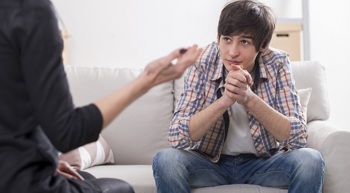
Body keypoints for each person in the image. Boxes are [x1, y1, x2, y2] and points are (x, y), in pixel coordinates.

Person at [0, 0, 202, 192]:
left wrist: (50, 161)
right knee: (120, 188)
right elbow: (67, 133)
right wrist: (147, 79)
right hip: (19, 182)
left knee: (87, 179)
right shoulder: (31, 11)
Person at [152, 0, 325, 193]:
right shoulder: (202, 62)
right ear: (218, 38)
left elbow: (297, 139)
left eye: (244, 41)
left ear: (263, 45)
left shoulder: (277, 63)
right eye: (227, 39)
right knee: (166, 160)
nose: (232, 52)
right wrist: (225, 100)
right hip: (211, 165)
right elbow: (176, 137)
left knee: (311, 160)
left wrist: (249, 98)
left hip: (263, 164)